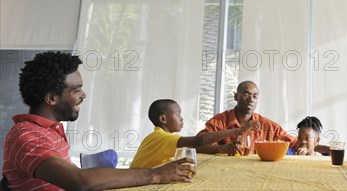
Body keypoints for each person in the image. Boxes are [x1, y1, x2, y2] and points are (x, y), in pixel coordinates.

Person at [1, 51, 194, 191]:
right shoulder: (27, 136)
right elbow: (79, 181)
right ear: (51, 98)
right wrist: (156, 175)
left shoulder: (50, 130)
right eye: (76, 90)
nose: (84, 94)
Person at [130, 99, 259, 168]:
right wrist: (239, 130)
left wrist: (221, 148)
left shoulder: (164, 137)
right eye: (178, 114)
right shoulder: (160, 137)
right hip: (138, 181)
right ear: (163, 119)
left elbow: (195, 148)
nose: (181, 118)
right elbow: (199, 141)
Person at [196, 81, 298, 155]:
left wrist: (308, 146)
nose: (251, 99)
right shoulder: (220, 121)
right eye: (246, 94)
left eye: (255, 96)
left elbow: (295, 143)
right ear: (236, 97)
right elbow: (197, 145)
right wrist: (221, 148)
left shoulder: (267, 126)